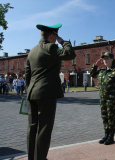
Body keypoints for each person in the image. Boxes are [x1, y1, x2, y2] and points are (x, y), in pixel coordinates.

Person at [25, 23, 76, 160]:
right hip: (46, 93)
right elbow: (70, 54)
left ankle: (32, 157)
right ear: (52, 35)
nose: (56, 38)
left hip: (32, 93)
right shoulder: (51, 47)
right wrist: (63, 41)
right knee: (44, 129)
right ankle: (40, 158)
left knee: (32, 127)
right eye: (56, 35)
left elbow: (27, 74)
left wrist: (29, 90)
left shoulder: (32, 51)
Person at [90, 52, 115, 145]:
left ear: (112, 59)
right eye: (104, 59)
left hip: (112, 99)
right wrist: (95, 65)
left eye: (107, 58)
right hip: (102, 98)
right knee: (104, 117)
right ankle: (106, 134)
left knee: (111, 117)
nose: (105, 60)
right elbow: (92, 74)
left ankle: (111, 136)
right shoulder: (101, 71)